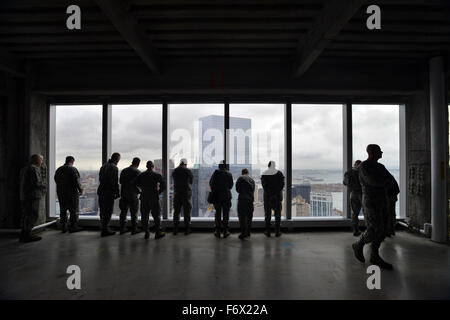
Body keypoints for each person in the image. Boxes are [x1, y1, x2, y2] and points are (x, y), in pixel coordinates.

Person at [352, 144, 396, 270]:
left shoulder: (380, 166)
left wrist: (384, 182)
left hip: (383, 200)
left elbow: (390, 180)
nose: (382, 152)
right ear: (373, 152)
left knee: (383, 229)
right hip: (371, 202)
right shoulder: (364, 166)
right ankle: (358, 244)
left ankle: (375, 255)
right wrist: (384, 182)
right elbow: (373, 181)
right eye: (379, 151)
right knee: (374, 229)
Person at [135, 161, 165, 240]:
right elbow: (163, 184)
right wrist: (159, 192)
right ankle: (158, 232)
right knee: (156, 215)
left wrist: (142, 190)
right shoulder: (156, 175)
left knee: (144, 216)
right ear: (153, 166)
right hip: (153, 197)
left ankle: (146, 232)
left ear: (146, 166)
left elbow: (136, 183)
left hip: (144, 197)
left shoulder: (141, 175)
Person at [19, 154, 45, 242]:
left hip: (24, 195)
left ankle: (24, 234)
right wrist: (43, 185)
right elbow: (36, 183)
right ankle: (27, 235)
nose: (41, 162)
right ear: (37, 160)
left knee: (26, 215)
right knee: (32, 215)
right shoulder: (34, 169)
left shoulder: (24, 169)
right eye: (41, 160)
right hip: (33, 196)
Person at [54, 156, 83, 233]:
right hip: (71, 193)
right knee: (73, 210)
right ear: (72, 161)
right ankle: (73, 226)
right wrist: (80, 190)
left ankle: (64, 226)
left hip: (61, 193)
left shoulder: (59, 169)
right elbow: (76, 181)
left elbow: (56, 180)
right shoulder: (72, 169)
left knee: (63, 209)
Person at [97, 152, 120, 237]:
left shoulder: (103, 166)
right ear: (117, 159)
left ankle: (103, 227)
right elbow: (114, 182)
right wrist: (117, 192)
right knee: (108, 211)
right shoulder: (114, 168)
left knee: (102, 210)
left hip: (101, 190)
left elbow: (100, 178)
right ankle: (105, 229)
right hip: (108, 192)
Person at [209, 161, 233, 238]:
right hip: (226, 196)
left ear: (219, 166)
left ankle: (218, 231)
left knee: (218, 214)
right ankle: (225, 231)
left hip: (217, 196)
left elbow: (211, 183)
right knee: (226, 214)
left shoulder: (215, 173)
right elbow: (231, 185)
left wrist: (215, 190)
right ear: (225, 166)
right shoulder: (229, 174)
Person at [261, 161, 285, 237]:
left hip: (268, 198)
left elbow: (264, 186)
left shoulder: (264, 173)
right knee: (277, 215)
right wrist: (275, 193)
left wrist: (270, 194)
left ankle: (268, 231)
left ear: (268, 166)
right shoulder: (279, 173)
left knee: (267, 215)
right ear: (275, 166)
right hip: (277, 197)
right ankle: (277, 232)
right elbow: (282, 185)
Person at [119, 157, 141, 235]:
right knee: (134, 212)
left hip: (124, 194)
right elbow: (140, 184)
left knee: (123, 212)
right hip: (133, 195)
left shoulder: (124, 170)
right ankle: (134, 229)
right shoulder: (137, 172)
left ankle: (122, 228)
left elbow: (121, 181)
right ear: (138, 163)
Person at [172, 158, 194, 235]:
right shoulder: (188, 171)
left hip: (177, 193)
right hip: (186, 193)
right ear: (185, 164)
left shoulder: (175, 171)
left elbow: (173, 180)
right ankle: (187, 229)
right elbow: (191, 181)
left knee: (176, 211)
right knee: (187, 211)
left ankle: (175, 229)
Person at [343, 160, 363, 236]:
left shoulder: (348, 173)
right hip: (362, 193)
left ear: (354, 164)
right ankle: (370, 231)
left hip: (353, 193)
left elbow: (345, 183)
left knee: (354, 213)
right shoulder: (362, 172)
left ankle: (355, 230)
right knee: (367, 212)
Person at [235, 168, 255, 240]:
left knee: (242, 217)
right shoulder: (252, 180)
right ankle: (248, 232)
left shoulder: (240, 178)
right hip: (250, 200)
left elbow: (237, 189)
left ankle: (243, 233)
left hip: (242, 200)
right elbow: (253, 190)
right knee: (249, 217)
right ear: (248, 172)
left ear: (242, 172)